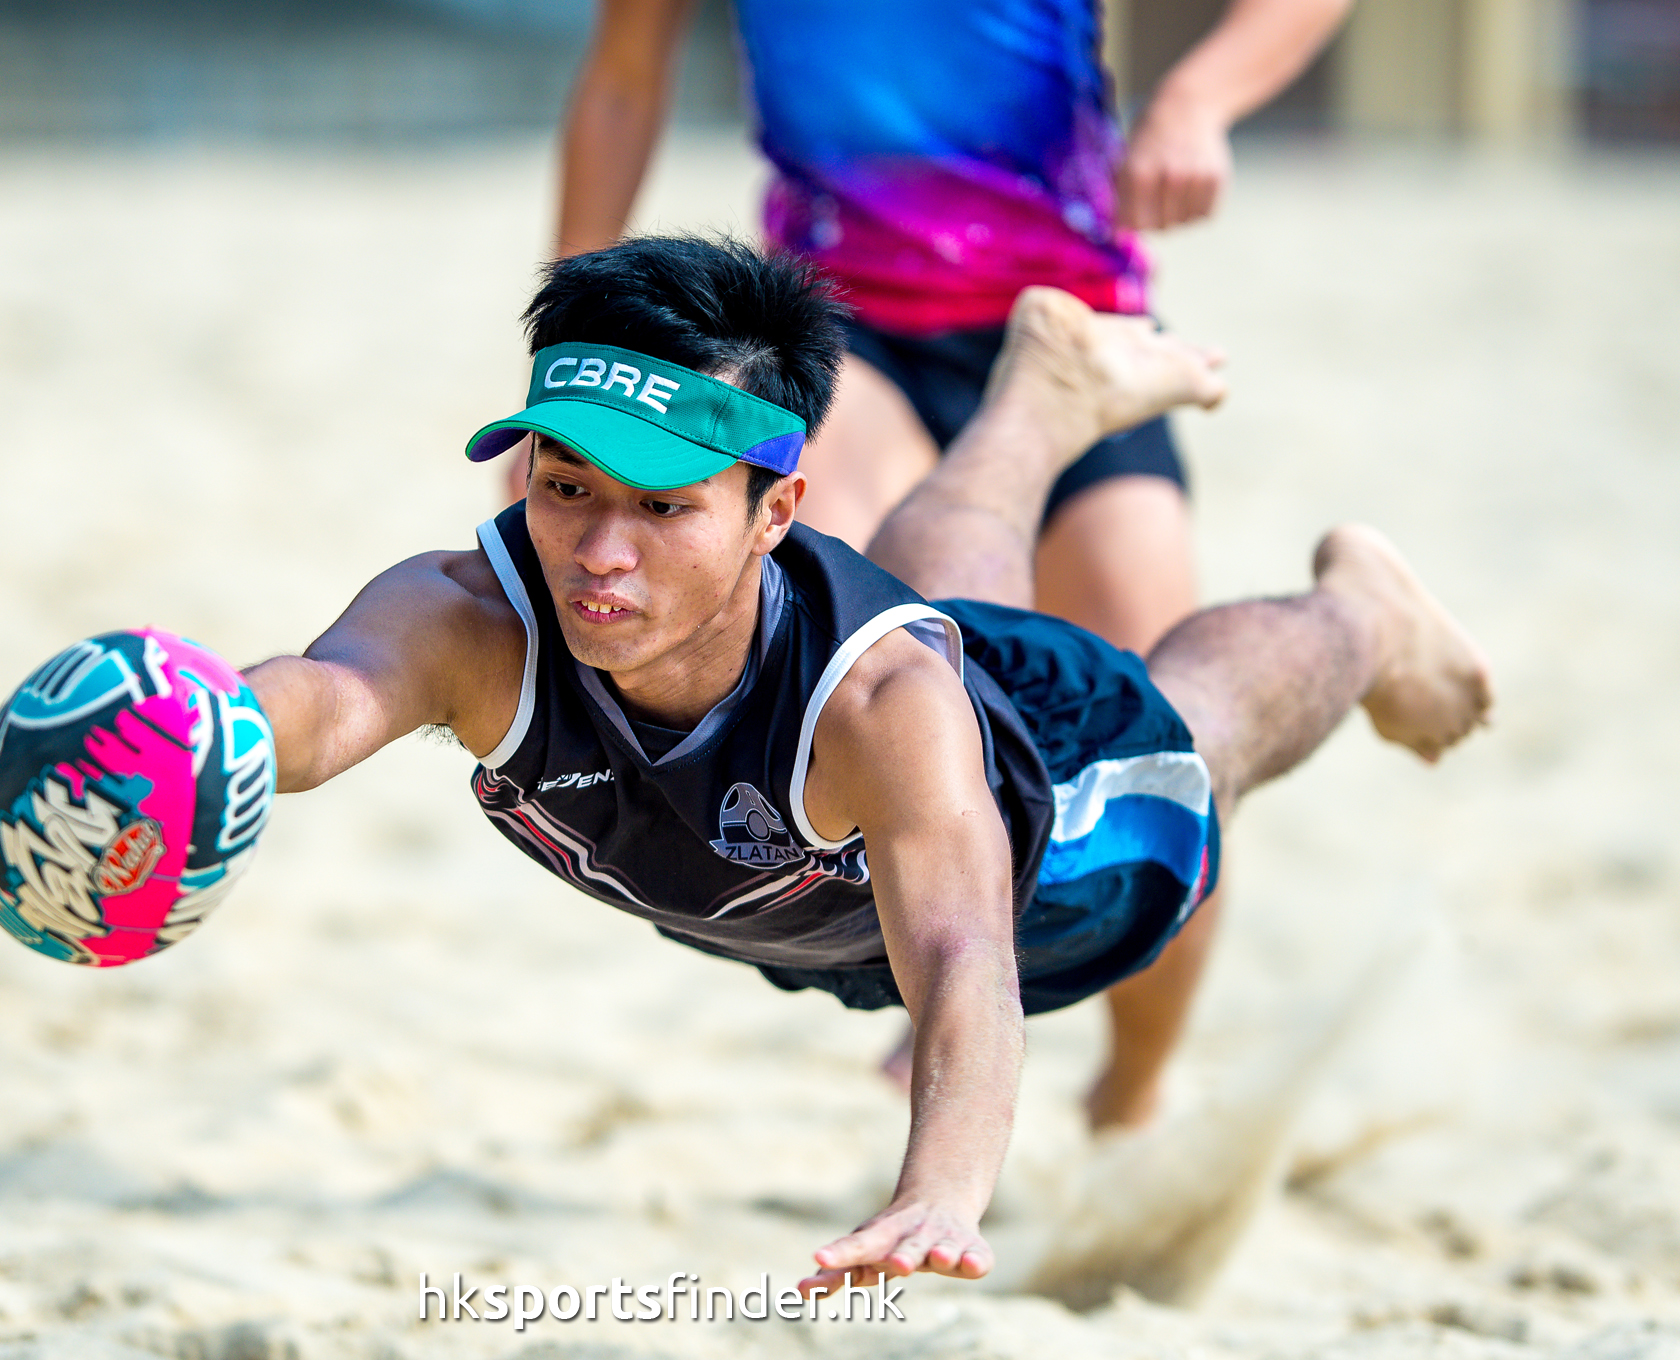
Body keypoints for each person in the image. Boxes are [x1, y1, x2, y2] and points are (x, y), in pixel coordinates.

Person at [249, 236, 1489, 1291]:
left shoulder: (879, 704)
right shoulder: (467, 619)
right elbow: (316, 705)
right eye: (567, 488)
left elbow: (959, 955)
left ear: (774, 513)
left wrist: (941, 1189)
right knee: (949, 594)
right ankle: (1040, 397)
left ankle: (1358, 616)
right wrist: (186, 730)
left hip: (1054, 836)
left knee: (1196, 728)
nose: (599, 554)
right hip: (821, 894)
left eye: (664, 506)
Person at [533, 0, 1356, 1126]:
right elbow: (625, 76)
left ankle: (1132, 1083)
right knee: (855, 630)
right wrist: (578, 400)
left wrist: (1196, 99)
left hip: (1071, 314)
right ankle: (945, 947)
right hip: (839, 328)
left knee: (1161, 745)